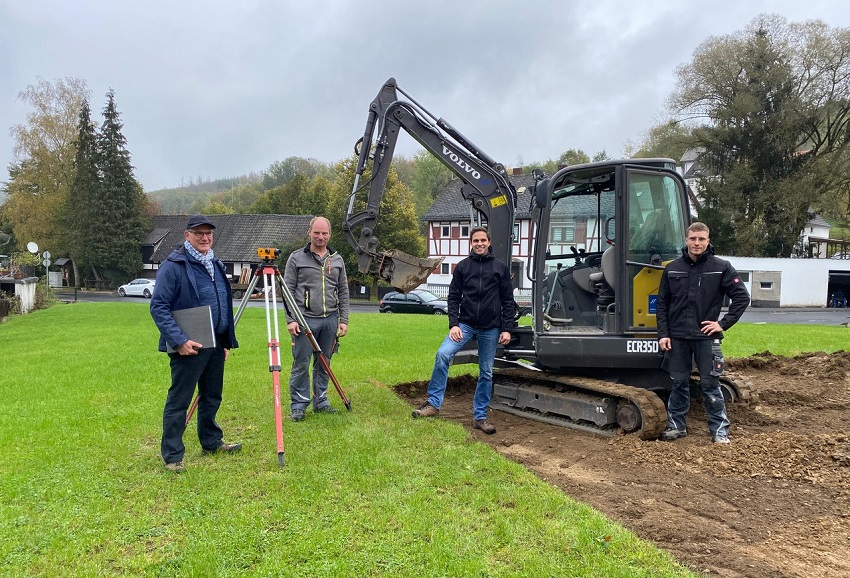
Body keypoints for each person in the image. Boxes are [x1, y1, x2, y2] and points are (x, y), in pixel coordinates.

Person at [150, 215, 241, 473]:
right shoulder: (173, 265)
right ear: (187, 235)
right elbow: (158, 307)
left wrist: (225, 340)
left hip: (215, 343)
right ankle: (173, 456)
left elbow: (222, 302)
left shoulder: (215, 263)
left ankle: (211, 442)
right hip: (188, 345)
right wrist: (178, 341)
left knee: (211, 396)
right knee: (179, 400)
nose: (204, 238)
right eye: (198, 233)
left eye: (208, 234)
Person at [412, 226, 515, 434]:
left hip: (491, 328)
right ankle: (433, 404)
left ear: (489, 242)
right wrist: (454, 324)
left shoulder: (500, 268)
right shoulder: (462, 267)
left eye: (483, 240)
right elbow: (453, 297)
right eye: (476, 240)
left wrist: (507, 329)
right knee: (443, 354)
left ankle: (479, 417)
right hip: (465, 325)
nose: (479, 244)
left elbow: (507, 301)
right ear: (471, 243)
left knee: (486, 372)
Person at [656, 221, 750, 444]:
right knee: (678, 383)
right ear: (686, 240)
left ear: (708, 241)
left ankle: (719, 431)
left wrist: (722, 324)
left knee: (710, 384)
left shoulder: (721, 267)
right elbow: (662, 304)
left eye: (701, 239)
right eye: (693, 239)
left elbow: (742, 297)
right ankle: (676, 426)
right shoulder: (672, 268)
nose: (697, 243)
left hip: (706, 338)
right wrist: (664, 334)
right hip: (677, 337)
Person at [284, 216, 349, 421]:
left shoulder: (337, 260)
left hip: (330, 319)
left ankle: (321, 401)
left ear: (330, 235)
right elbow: (287, 291)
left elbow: (344, 291)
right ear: (309, 232)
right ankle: (299, 405)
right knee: (301, 363)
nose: (320, 237)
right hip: (304, 320)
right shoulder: (296, 258)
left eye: (324, 233)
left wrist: (343, 320)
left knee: (324, 363)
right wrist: (291, 320)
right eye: (317, 233)